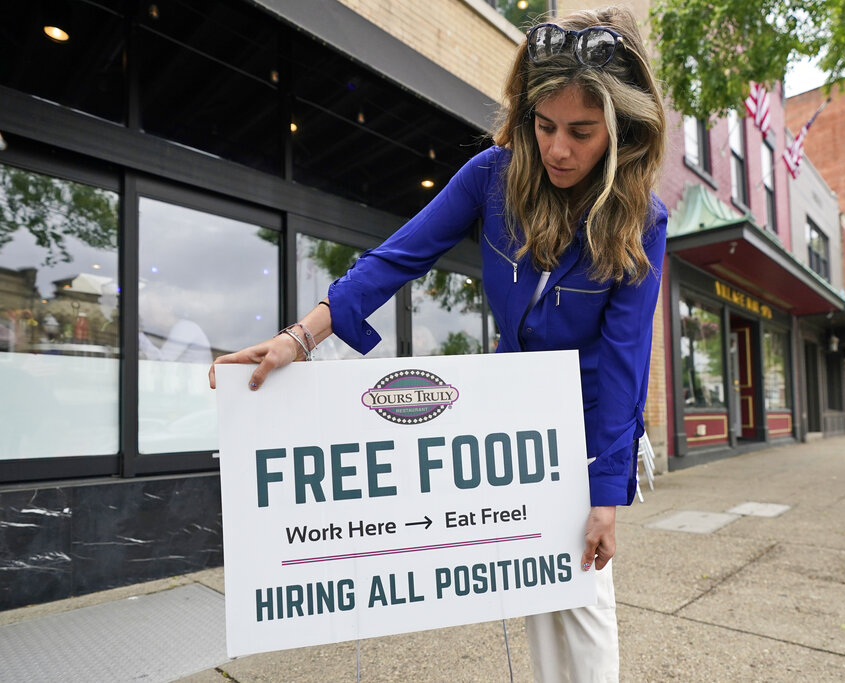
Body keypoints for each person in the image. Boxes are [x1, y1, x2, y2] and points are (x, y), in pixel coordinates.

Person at [210, 6, 666, 680]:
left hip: (592, 420)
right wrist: (300, 338)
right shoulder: (492, 175)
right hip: (518, 415)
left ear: (621, 130)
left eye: (581, 132)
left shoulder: (641, 217)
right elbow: (399, 256)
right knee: (538, 587)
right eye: (544, 126)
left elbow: (626, 360)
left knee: (586, 595)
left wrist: (604, 496)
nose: (558, 149)